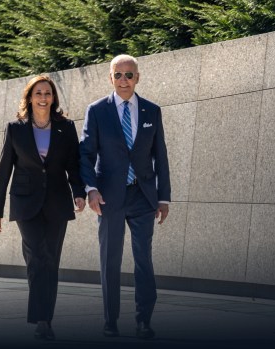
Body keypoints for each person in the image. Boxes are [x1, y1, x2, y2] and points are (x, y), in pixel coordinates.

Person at [79, 54, 171, 339]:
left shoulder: (151, 111)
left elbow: (161, 156)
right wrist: (91, 189)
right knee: (110, 259)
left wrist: (164, 197)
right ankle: (111, 321)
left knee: (144, 259)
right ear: (110, 78)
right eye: (118, 75)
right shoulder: (97, 110)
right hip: (109, 198)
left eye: (129, 75)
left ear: (137, 77)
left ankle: (144, 320)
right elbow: (86, 154)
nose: (123, 80)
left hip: (143, 197)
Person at [0, 75, 86, 341]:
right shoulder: (15, 128)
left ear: (53, 98)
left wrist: (79, 193)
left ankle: (45, 319)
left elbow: (73, 164)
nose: (43, 98)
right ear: (30, 97)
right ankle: (41, 319)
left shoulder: (65, 127)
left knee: (50, 260)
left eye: (47, 93)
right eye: (38, 93)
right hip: (25, 202)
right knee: (38, 256)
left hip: (57, 201)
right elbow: (3, 170)